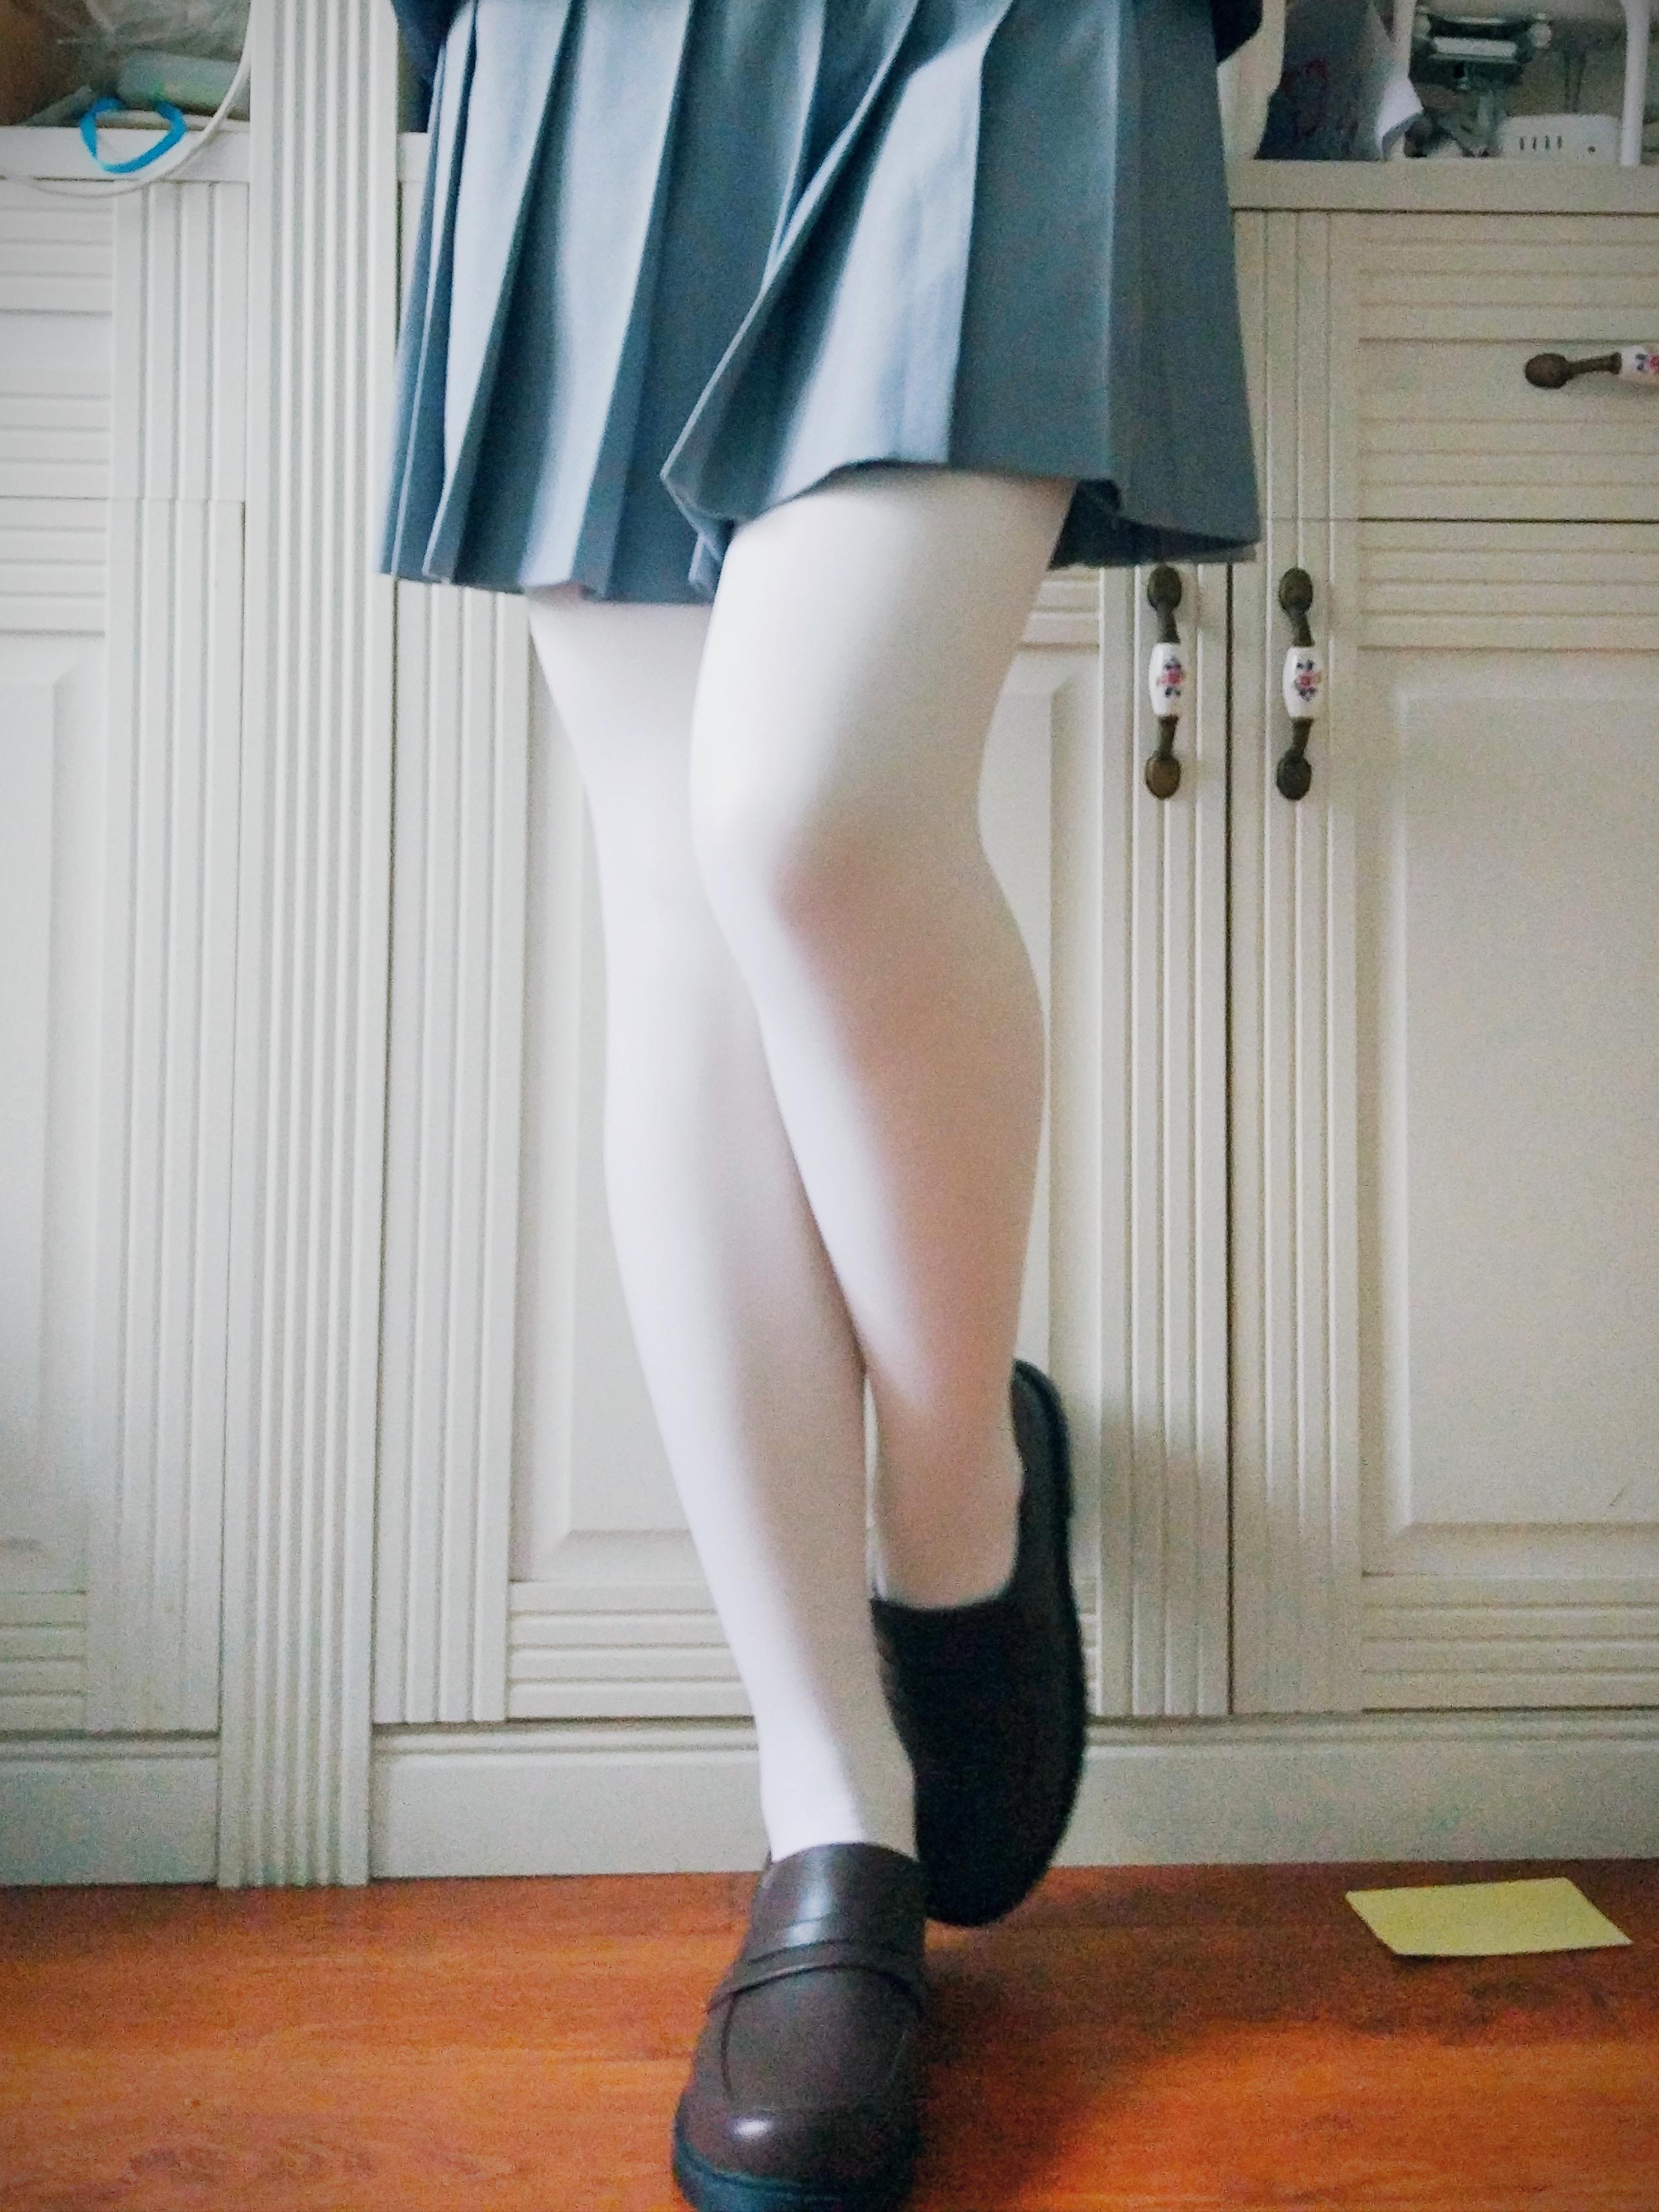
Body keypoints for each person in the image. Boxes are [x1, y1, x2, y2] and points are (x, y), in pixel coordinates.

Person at [379, 3, 1262, 2205]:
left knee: (805, 816)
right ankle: (827, 1805)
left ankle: (956, 1512)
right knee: (680, 902)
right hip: (592, 47)